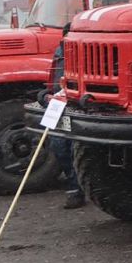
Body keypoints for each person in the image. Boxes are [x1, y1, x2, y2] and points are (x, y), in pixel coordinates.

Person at [46, 24, 84, 209]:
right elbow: (54, 81)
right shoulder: (60, 53)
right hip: (58, 106)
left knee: (72, 148)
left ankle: (77, 189)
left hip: (76, 107)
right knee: (58, 146)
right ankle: (74, 185)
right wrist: (45, 96)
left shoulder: (85, 53)